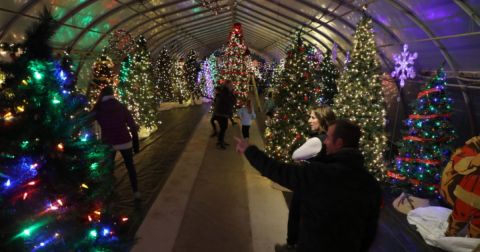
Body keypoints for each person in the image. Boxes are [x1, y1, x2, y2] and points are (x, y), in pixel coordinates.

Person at [235, 120, 382, 252]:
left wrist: (249, 150)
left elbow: (279, 171)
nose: (325, 142)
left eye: (329, 138)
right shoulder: (372, 185)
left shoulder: (320, 173)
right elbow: (370, 230)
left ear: (339, 143)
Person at [284, 105, 336, 250]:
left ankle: (291, 244)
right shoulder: (332, 139)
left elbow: (295, 155)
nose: (309, 120)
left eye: (313, 117)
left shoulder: (317, 141)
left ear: (323, 120)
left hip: (307, 185)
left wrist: (305, 162)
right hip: (321, 186)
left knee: (296, 214)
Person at [92, 86, 141, 199]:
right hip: (124, 141)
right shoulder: (121, 106)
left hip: (108, 143)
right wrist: (136, 145)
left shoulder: (99, 108)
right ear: (113, 94)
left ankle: (110, 192)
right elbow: (132, 126)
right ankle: (136, 191)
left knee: (109, 169)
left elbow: (87, 119)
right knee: (130, 167)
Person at [213, 81, 236, 149]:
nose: (232, 86)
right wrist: (232, 94)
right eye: (231, 85)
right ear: (228, 86)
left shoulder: (225, 92)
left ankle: (220, 141)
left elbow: (231, 101)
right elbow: (232, 101)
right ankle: (221, 142)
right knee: (223, 128)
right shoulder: (226, 92)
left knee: (223, 128)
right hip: (222, 113)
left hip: (222, 113)